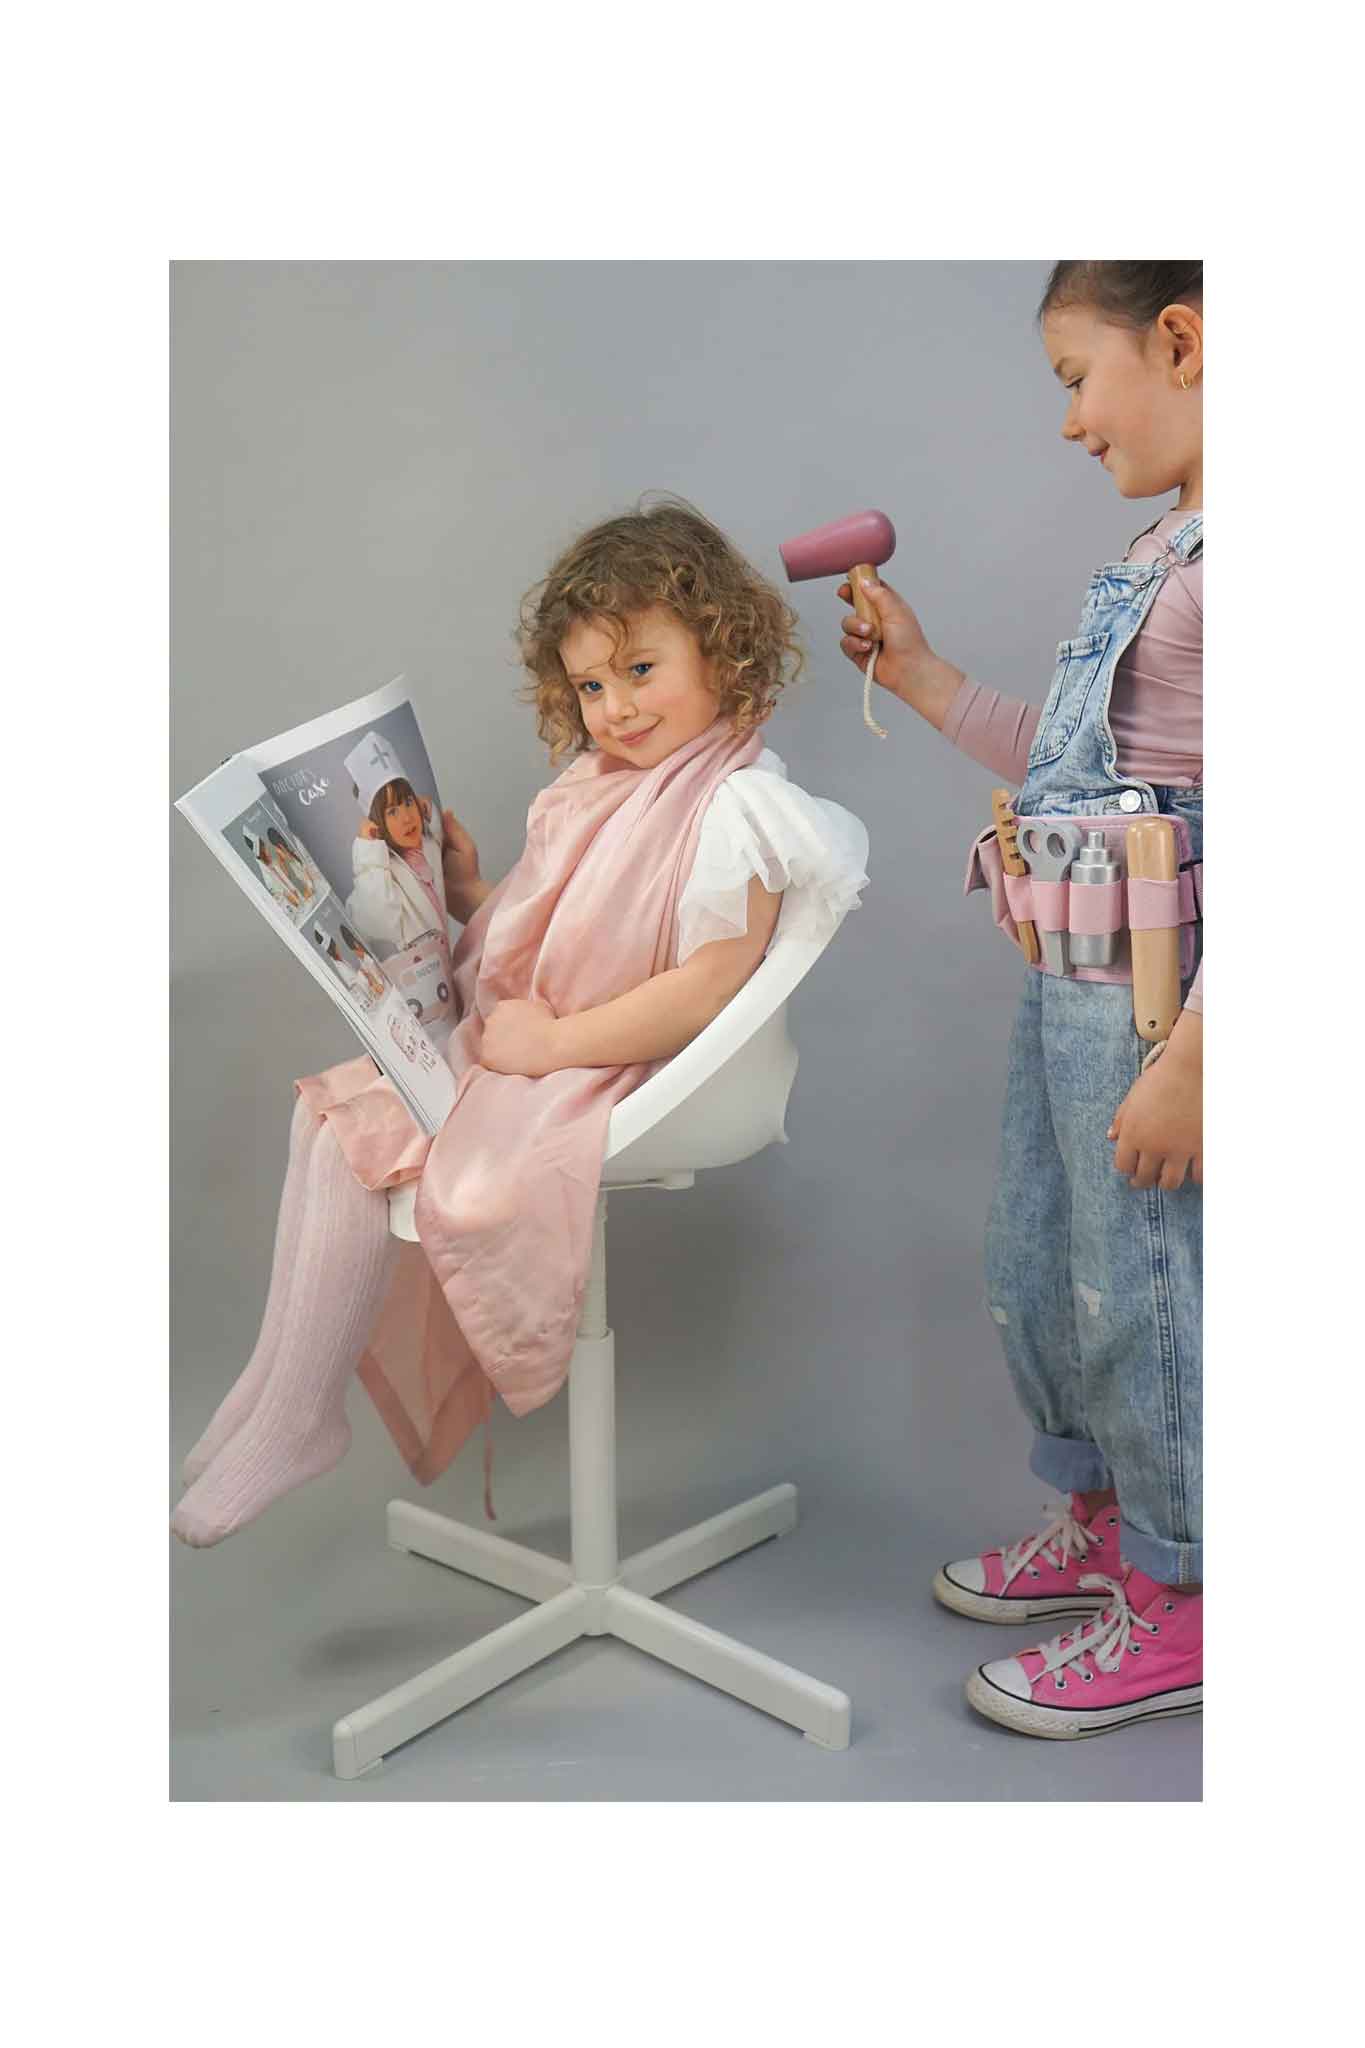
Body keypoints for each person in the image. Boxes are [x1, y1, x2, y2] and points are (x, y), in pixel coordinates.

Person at [173, 501, 868, 1548]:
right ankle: (283, 1391)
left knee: (369, 1139)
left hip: (629, 1066)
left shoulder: (737, 807)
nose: (615, 709)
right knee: (327, 1118)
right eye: (590, 686)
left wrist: (551, 1045)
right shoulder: (604, 788)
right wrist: (469, 896)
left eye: (640, 670)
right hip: (543, 1038)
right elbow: (574, 928)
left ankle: (298, 1415)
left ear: (723, 652)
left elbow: (703, 989)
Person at [838, 261, 1203, 1739]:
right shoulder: (1162, 552)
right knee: (1052, 1263)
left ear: (1180, 339)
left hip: (1165, 1009)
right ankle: (1116, 1529)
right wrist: (922, 675)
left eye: (1074, 378)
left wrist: (1203, 1053)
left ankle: (1191, 1593)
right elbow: (1064, 766)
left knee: (1150, 1293)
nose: (1067, 421)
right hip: (1074, 983)